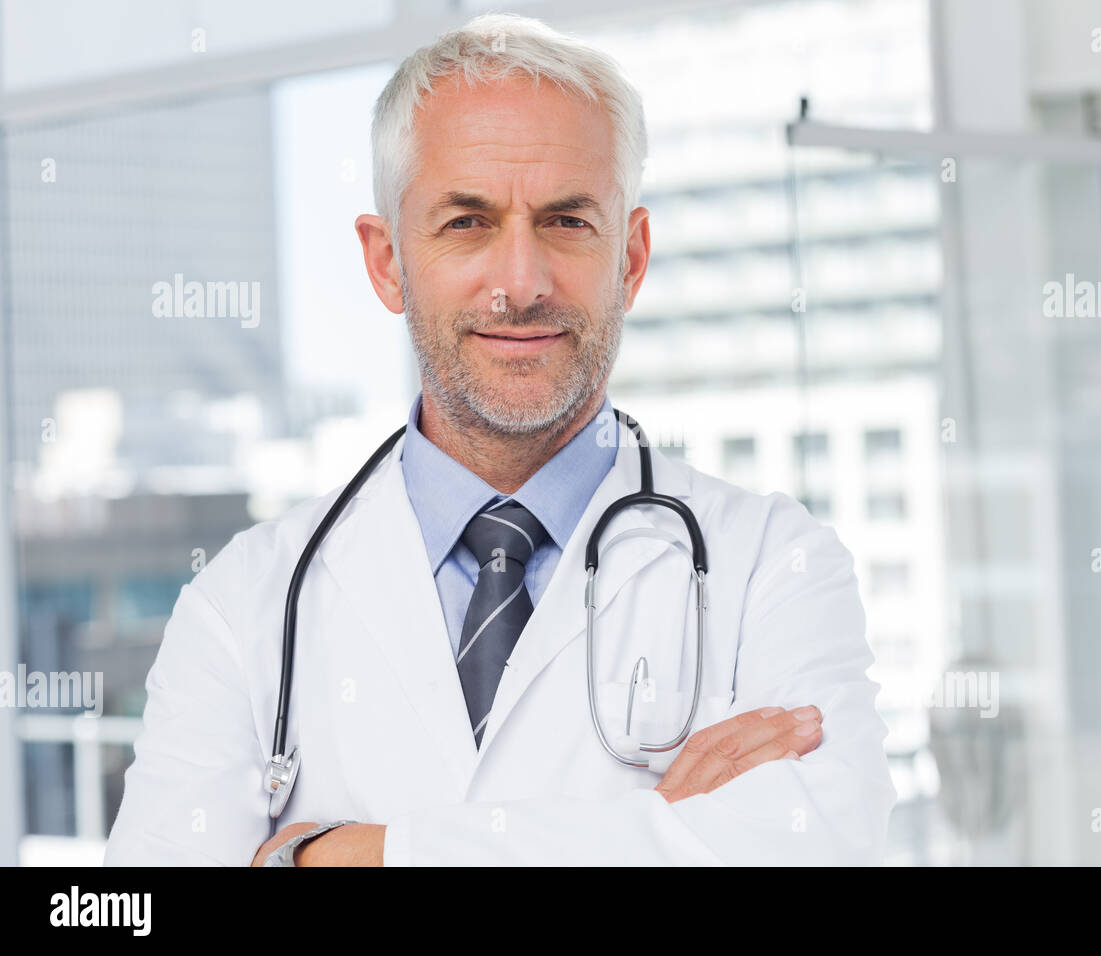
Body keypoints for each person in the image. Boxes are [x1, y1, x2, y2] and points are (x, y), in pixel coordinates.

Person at [104, 12, 896, 866]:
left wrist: (345, 854)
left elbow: (824, 845)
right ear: (387, 263)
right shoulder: (242, 607)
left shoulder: (775, 564)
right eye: (467, 223)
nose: (520, 284)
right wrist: (662, 835)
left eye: (566, 222)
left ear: (630, 259)